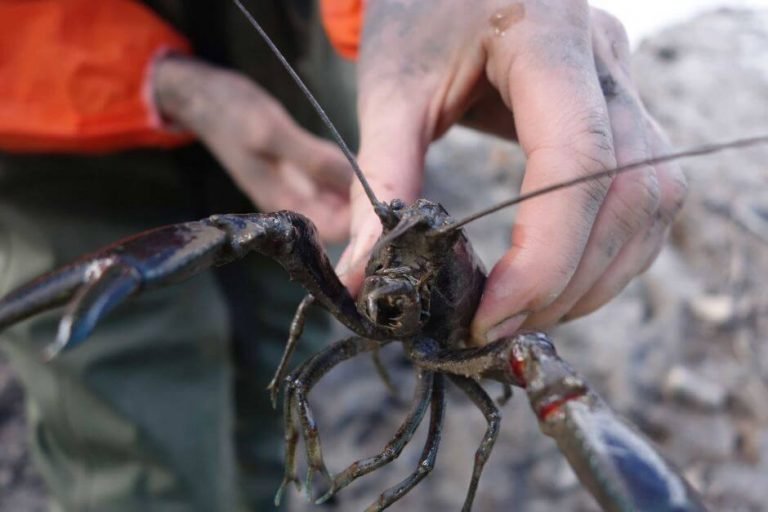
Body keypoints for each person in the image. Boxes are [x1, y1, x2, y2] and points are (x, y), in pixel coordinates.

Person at [0, 0, 684, 510]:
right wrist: (168, 84)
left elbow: (471, 428)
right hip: (48, 114)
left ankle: (283, 486)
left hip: (304, 41)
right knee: (142, 423)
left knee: (278, 350)